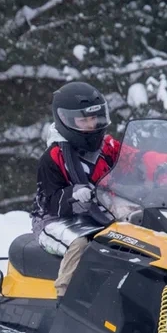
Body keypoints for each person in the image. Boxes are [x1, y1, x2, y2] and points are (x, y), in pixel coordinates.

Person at [30, 81, 121, 298]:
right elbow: (48, 202)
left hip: (98, 214)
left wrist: (166, 163)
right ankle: (65, 299)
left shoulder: (107, 147)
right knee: (81, 244)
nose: (91, 125)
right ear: (65, 120)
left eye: (94, 118)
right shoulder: (53, 157)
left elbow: (134, 159)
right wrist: (72, 195)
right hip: (53, 220)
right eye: (84, 120)